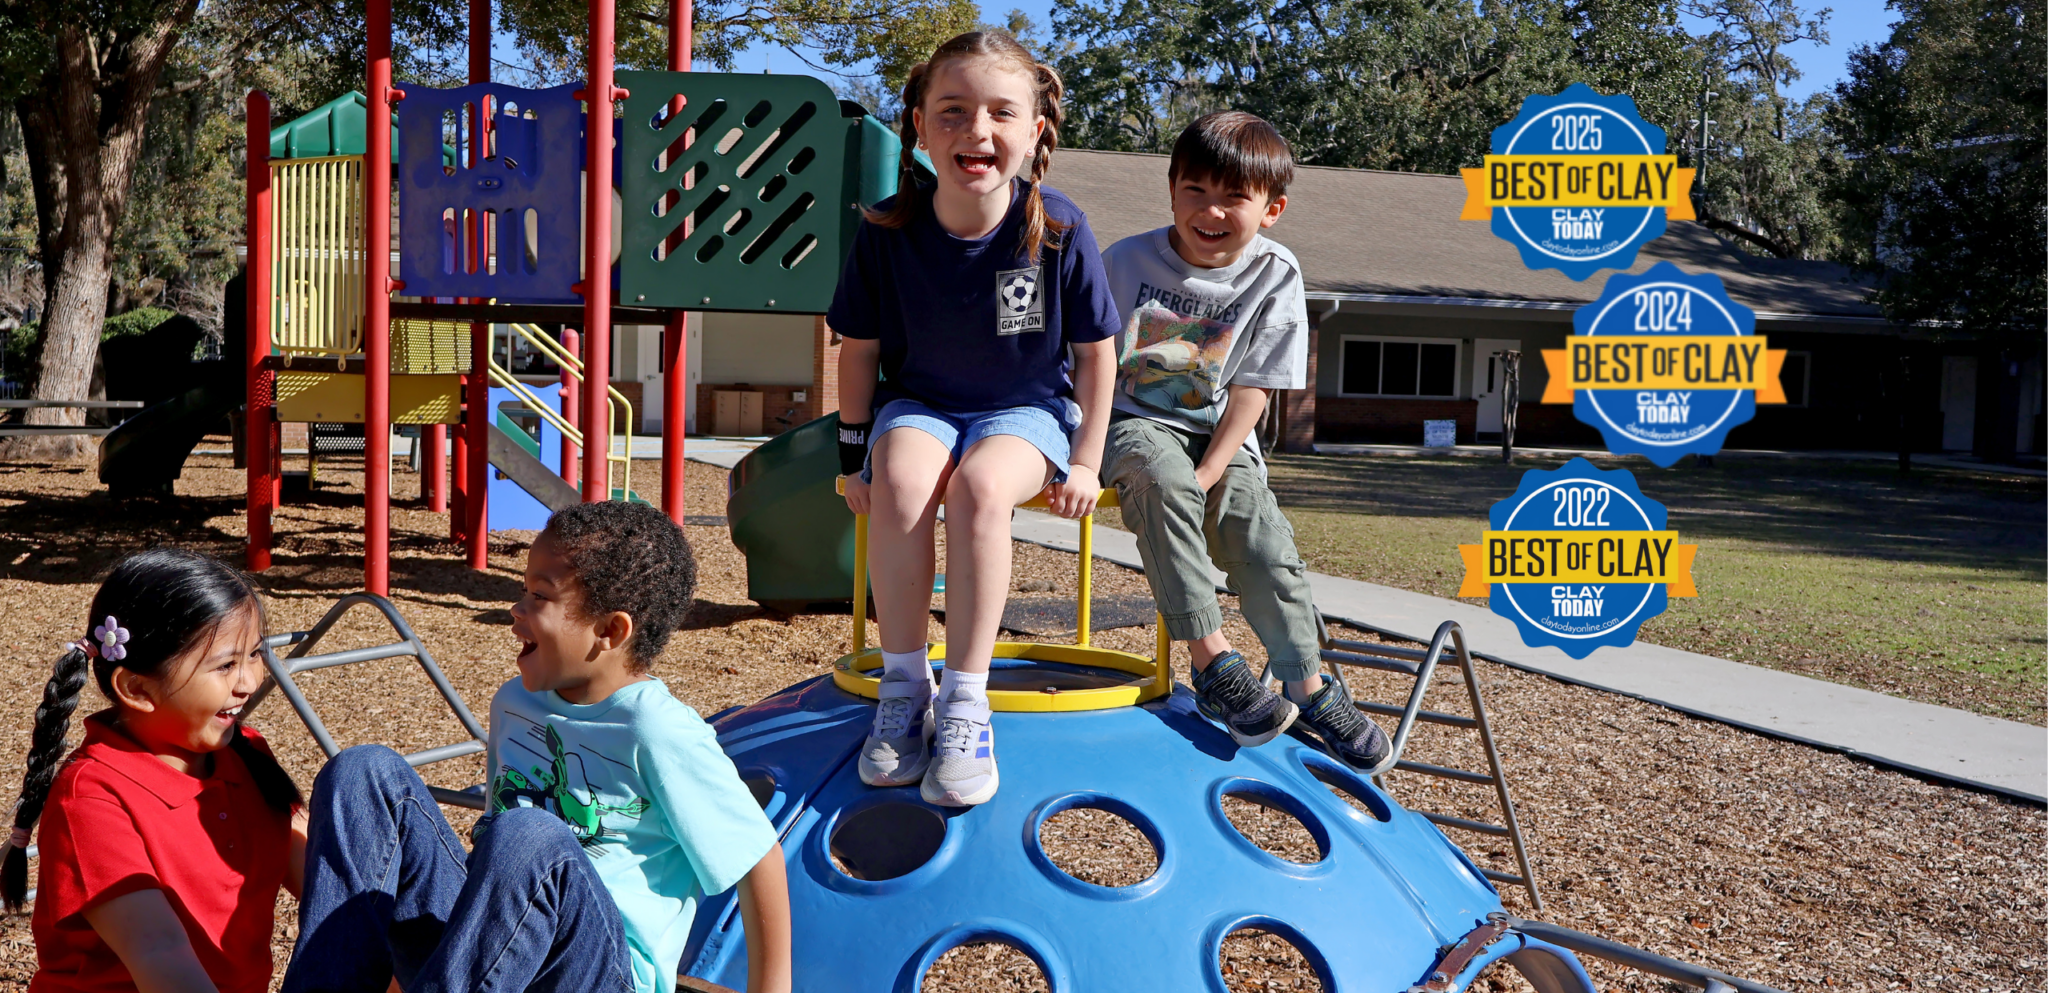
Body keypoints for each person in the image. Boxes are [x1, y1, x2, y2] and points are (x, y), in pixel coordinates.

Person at [284, 502, 792, 993]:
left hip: (598, 973)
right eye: (523, 591)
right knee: (362, 772)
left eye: (540, 597)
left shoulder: (656, 729)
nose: (517, 609)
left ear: (609, 631)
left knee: (529, 834)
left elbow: (757, 858)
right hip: (489, 956)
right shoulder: (516, 703)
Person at [831, 30, 1121, 806]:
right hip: (921, 404)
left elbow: (1097, 355)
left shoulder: (1058, 226)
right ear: (920, 128)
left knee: (982, 490)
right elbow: (858, 351)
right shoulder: (887, 229)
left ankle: (965, 697)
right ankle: (905, 688)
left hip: (1025, 409)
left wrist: (1086, 460)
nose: (977, 130)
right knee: (899, 483)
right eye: (953, 111)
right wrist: (853, 455)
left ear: (1035, 130)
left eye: (1001, 112)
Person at [1099, 111, 1390, 769]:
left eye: (1234, 196)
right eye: (1195, 191)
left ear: (1271, 209)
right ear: (1171, 191)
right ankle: (1213, 662)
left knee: (1261, 536)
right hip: (1132, 420)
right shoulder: (1125, 261)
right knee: (1161, 477)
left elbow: (1255, 389)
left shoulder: (1276, 273)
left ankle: (1306, 684)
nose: (1211, 210)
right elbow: (1089, 361)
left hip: (1221, 430)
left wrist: (1212, 471)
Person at [7, 548, 306, 993]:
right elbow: (160, 954)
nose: (249, 681)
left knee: (365, 775)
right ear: (137, 689)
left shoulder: (247, 753)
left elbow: (330, 885)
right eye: (226, 665)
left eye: (255, 654)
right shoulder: (92, 798)